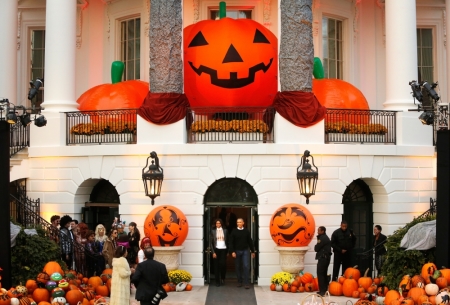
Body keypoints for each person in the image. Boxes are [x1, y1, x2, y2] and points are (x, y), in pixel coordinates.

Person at [228, 218, 256, 289]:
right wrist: (232, 251)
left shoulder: (246, 231)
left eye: (240, 222)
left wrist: (253, 251)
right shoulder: (234, 232)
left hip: (245, 251)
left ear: (243, 223)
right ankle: (239, 281)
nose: (239, 223)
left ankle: (246, 283)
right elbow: (231, 242)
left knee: (246, 266)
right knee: (238, 266)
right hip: (237, 251)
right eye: (237, 222)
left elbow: (250, 241)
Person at [314, 226, 332, 296]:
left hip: (323, 258)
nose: (317, 232)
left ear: (322, 231)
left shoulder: (322, 238)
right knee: (323, 274)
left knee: (320, 274)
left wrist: (316, 245)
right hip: (325, 258)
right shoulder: (324, 237)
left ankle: (322, 291)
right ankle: (323, 290)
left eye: (319, 231)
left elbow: (316, 248)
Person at [210, 218, 228, 287]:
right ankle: (217, 281)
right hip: (216, 249)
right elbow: (211, 243)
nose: (218, 224)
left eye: (219, 223)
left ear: (221, 224)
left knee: (223, 264)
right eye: (217, 223)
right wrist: (213, 252)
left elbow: (227, 241)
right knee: (216, 266)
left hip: (223, 249)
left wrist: (228, 250)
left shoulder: (225, 231)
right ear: (215, 224)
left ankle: (223, 278)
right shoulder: (213, 231)